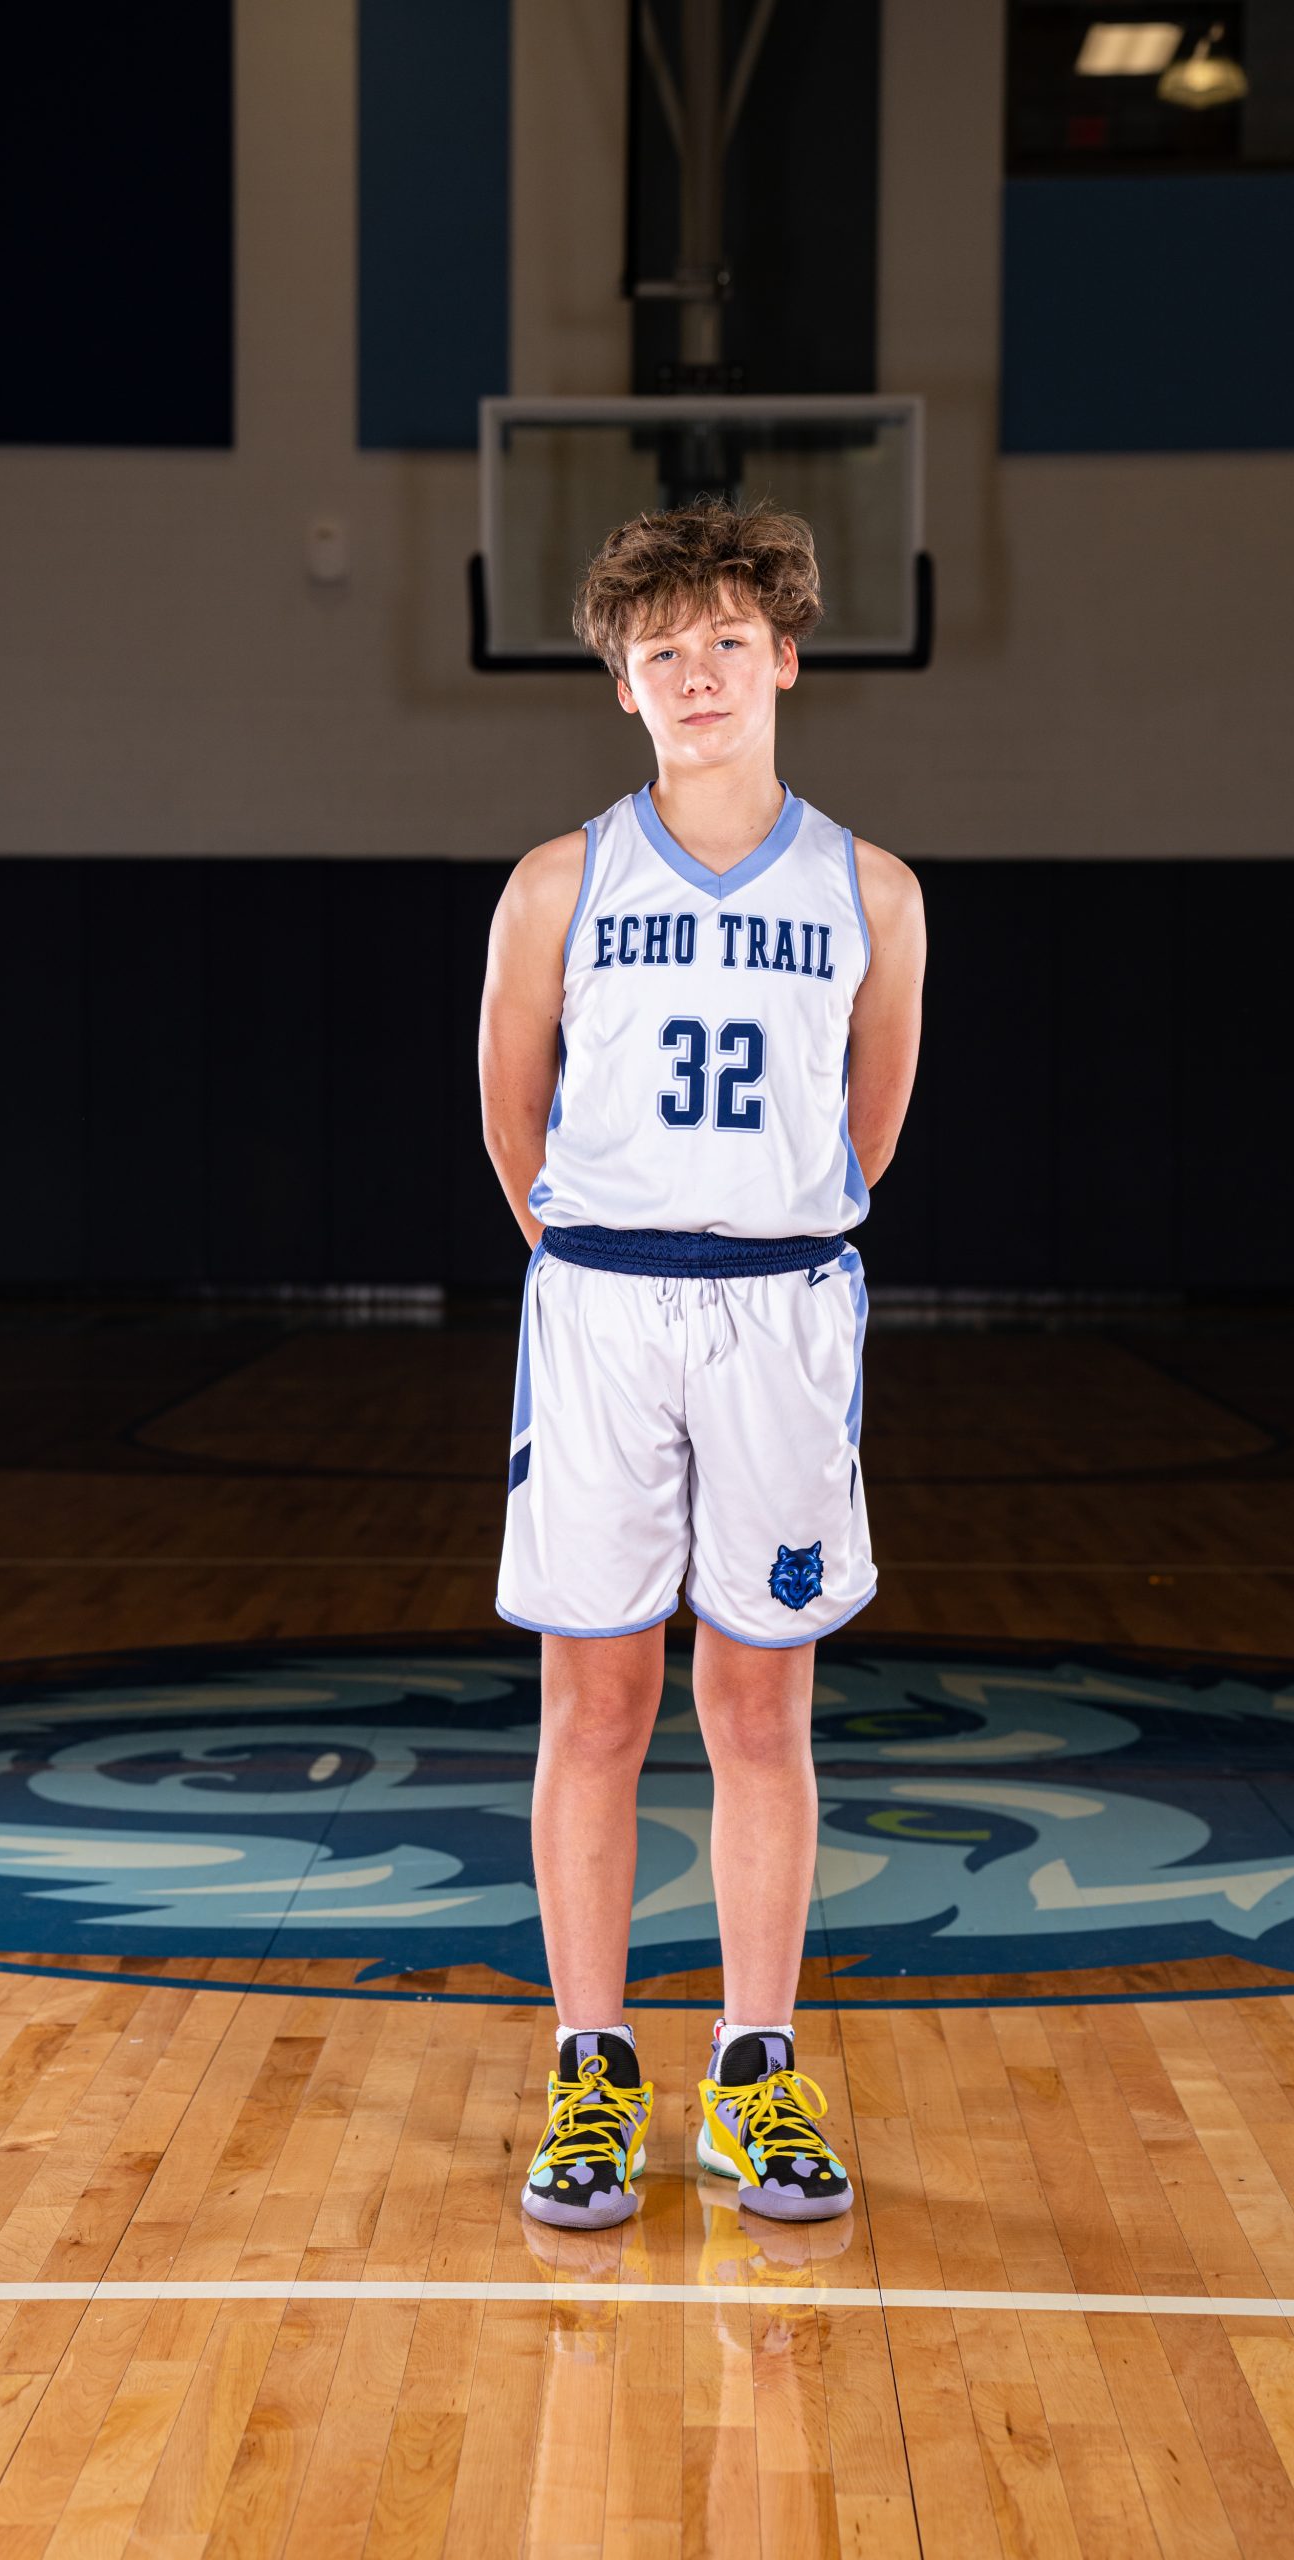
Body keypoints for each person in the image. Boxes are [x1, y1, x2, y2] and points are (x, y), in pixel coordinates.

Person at [477, 496, 925, 2229]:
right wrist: (608, 1251)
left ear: (785, 658)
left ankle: (752, 2065)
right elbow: (513, 1118)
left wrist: (762, 1236)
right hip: (602, 1307)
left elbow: (864, 1128)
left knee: (758, 1705)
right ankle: (591, 2067)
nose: (698, 673)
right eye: (661, 652)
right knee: (594, 1702)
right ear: (621, 687)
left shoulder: (870, 891)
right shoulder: (558, 883)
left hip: (780, 1312)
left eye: (728, 640)